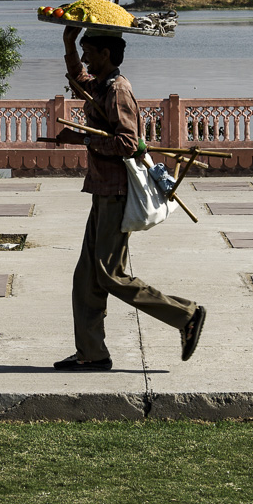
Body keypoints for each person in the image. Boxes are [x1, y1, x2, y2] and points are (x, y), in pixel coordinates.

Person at [53, 26, 206, 371]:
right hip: (102, 191)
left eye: (89, 51)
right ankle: (92, 353)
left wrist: (83, 141)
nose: (86, 58)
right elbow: (80, 83)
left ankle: (186, 315)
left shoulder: (119, 91)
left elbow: (126, 143)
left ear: (106, 54)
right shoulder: (102, 86)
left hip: (116, 193)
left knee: (110, 274)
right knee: (86, 278)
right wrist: (67, 43)